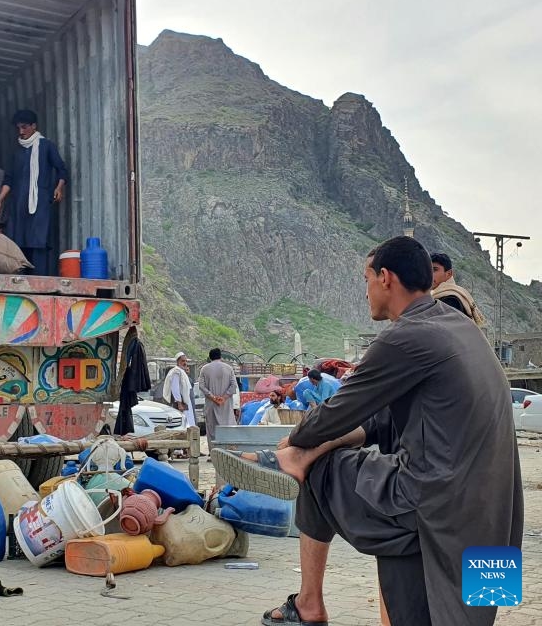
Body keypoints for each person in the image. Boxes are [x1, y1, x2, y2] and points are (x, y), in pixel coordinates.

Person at [212, 236, 522, 626]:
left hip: (437, 506)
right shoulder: (462, 328)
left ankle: (309, 602)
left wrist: (298, 442)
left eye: (366, 279)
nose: (366, 291)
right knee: (461, 611)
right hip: (497, 519)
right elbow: (384, 420)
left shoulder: (406, 336)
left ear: (386, 278)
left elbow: (341, 409)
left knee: (321, 474)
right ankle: (297, 462)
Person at [0, 109, 69, 275]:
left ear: (34, 126)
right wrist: (0, 200)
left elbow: (62, 169)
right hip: (19, 204)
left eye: (24, 127)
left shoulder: (47, 147)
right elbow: (9, 178)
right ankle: (20, 281)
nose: (21, 132)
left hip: (40, 203)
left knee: (38, 241)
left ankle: (40, 280)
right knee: (18, 242)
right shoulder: (17, 152)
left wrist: (59, 188)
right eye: (18, 128)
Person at [199, 348, 238, 456]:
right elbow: (234, 385)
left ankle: (213, 454)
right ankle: (228, 452)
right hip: (225, 405)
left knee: (212, 429)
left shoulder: (204, 369)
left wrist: (213, 397)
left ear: (210, 357)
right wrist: (224, 398)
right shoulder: (229, 368)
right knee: (227, 427)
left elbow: (201, 386)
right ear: (220, 356)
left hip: (211, 404)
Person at [431, 251, 485, 326]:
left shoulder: (451, 300)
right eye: (428, 270)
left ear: (449, 274)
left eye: (434, 270)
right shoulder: (439, 295)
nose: (430, 274)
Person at [162, 352, 194, 429]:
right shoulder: (176, 372)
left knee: (189, 423)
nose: (185, 363)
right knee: (183, 424)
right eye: (183, 361)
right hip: (180, 402)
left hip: (185, 401)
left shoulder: (182, 372)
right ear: (178, 362)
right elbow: (175, 389)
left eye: (186, 361)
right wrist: (179, 403)